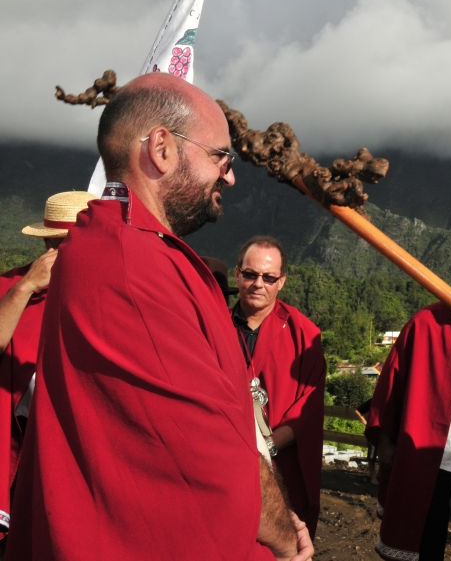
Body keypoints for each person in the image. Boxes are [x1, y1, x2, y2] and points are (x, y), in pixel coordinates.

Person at [6, 73, 312, 561]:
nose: (230, 176)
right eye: (220, 157)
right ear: (163, 149)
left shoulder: (114, 245)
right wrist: (285, 540)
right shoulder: (132, 266)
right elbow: (212, 449)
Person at [367, 253, 451, 561]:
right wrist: (386, 442)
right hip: (430, 459)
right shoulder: (425, 324)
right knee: (424, 545)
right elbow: (391, 387)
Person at [0, 190, 95, 537]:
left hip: (78, 446)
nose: (57, 253)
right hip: (19, 441)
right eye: (52, 243)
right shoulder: (13, 285)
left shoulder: (110, 289)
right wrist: (26, 287)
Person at [232, 235, 327, 537]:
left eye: (269, 277)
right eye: (250, 274)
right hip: (225, 457)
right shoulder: (214, 323)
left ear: (281, 281)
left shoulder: (304, 335)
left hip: (279, 461)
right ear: (237, 274)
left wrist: (266, 446)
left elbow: (308, 407)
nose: (258, 284)